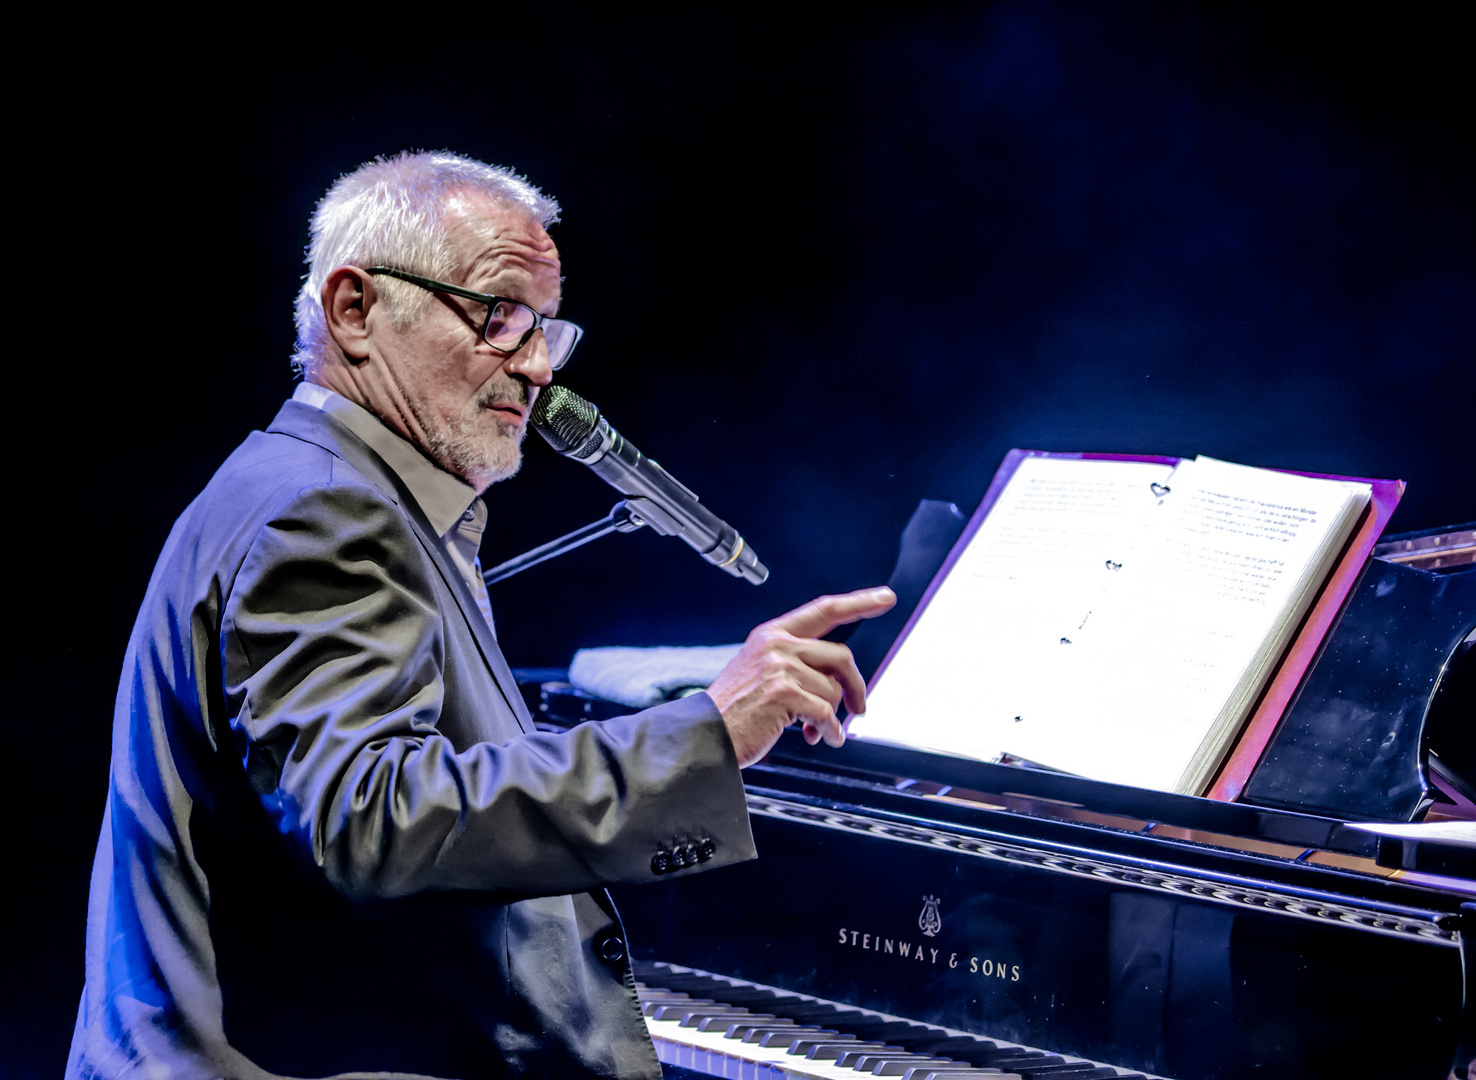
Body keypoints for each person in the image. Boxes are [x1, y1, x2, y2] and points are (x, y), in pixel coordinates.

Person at [67, 150, 894, 1079]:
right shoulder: (322, 512)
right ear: (354, 308)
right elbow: (370, 819)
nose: (539, 369)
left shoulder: (340, 494)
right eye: (500, 317)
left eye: (547, 328)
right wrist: (702, 738)